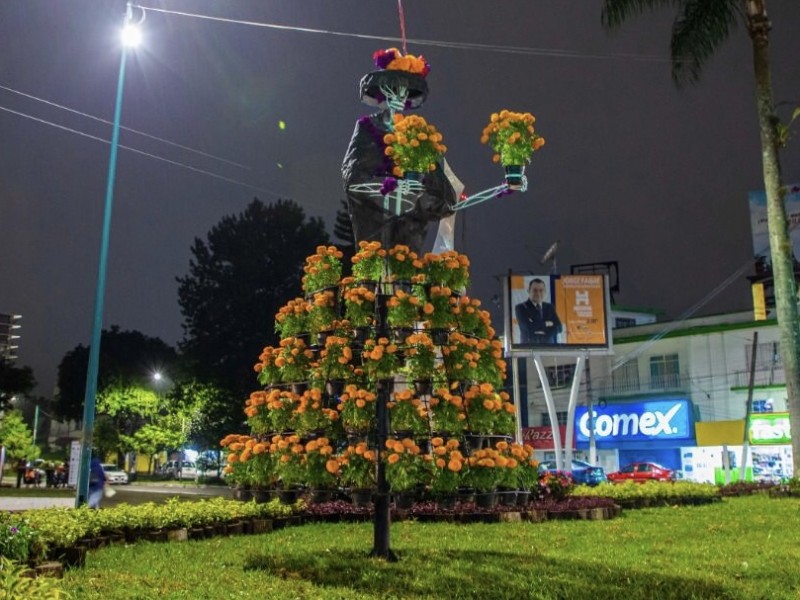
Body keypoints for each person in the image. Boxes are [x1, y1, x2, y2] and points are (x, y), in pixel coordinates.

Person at [515, 278, 562, 344]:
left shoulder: (550, 307)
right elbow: (526, 327)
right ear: (528, 291)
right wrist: (546, 323)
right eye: (535, 290)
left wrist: (543, 333)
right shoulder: (520, 308)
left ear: (545, 292)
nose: (538, 293)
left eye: (541, 290)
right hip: (529, 348)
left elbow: (559, 327)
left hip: (548, 348)